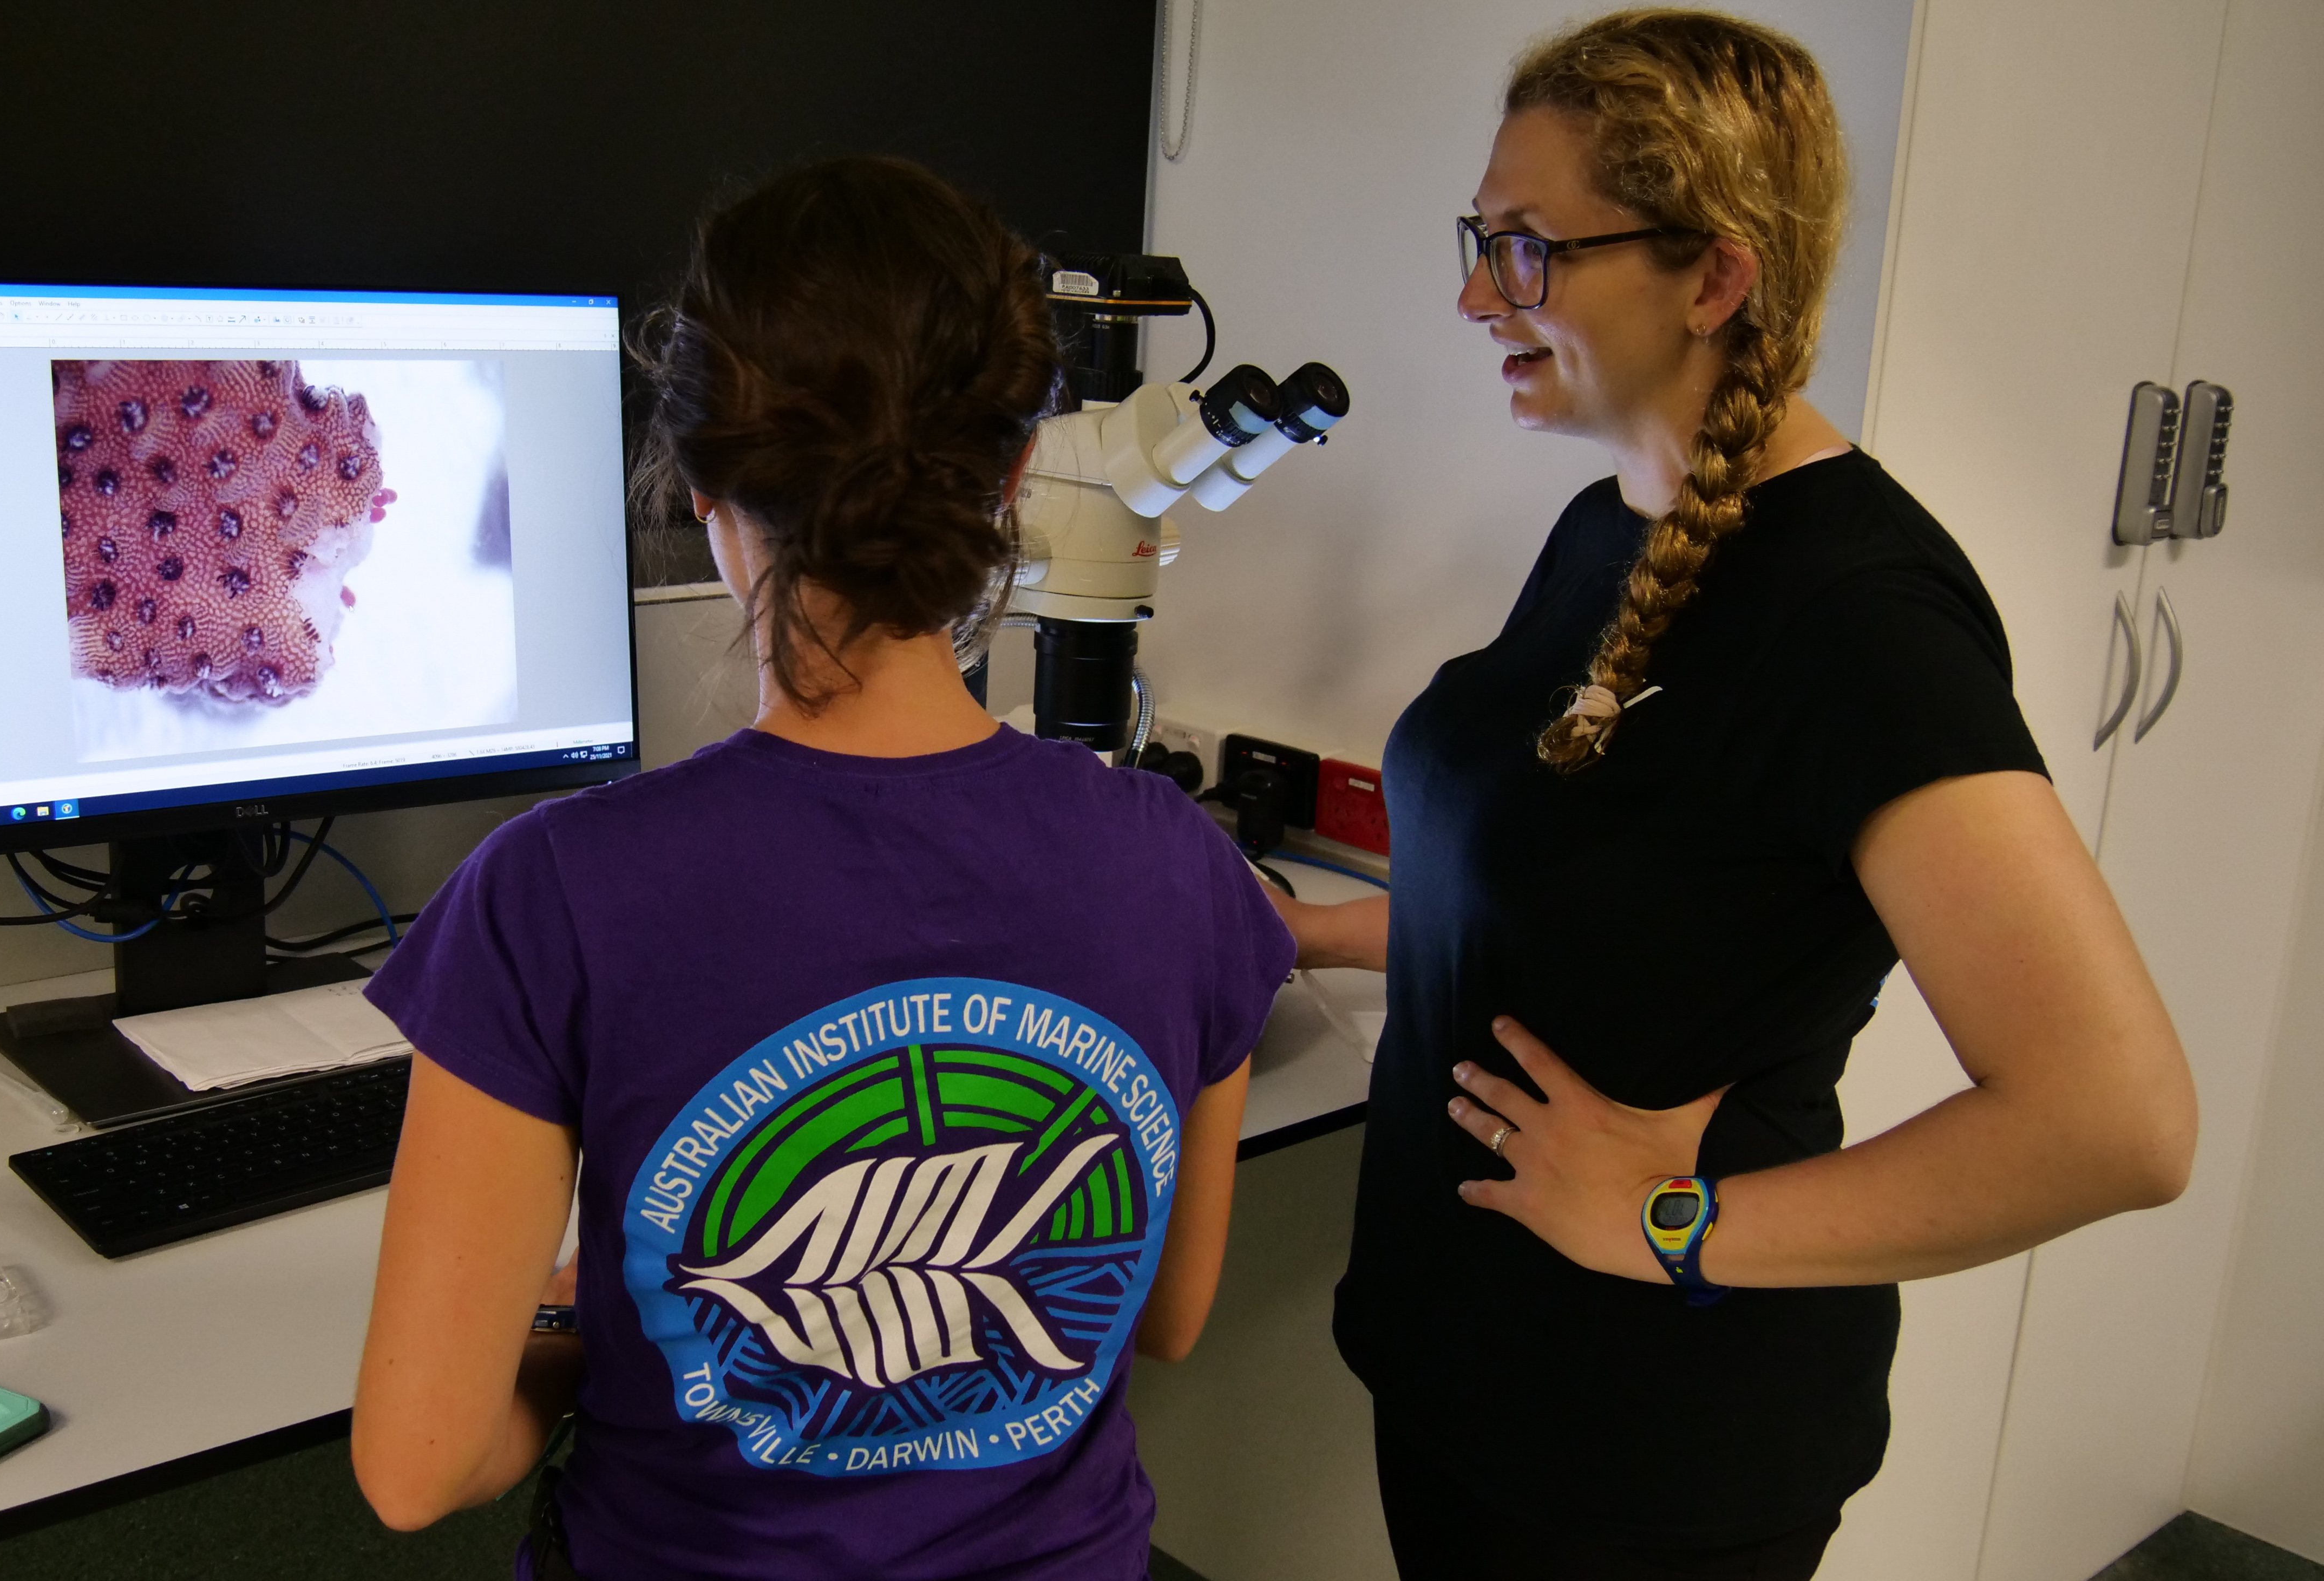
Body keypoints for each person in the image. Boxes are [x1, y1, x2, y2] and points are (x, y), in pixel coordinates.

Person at [1272, 12, 2199, 1578]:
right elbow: (1606, 892)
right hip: (1469, 1372)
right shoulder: (1605, 525)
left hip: (1648, 1445)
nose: (1475, 294)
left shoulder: (1857, 618)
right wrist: (1325, 933)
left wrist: (1668, 1227)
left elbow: (2119, 1120)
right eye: (1480, 240)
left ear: (1715, 277)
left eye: (1528, 250)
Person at [350, 156, 1292, 1581]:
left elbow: (420, 1470)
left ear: (703, 479)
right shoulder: (1179, 862)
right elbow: (1158, 1315)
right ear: (1021, 471)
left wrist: (578, 1320)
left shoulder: (554, 895)